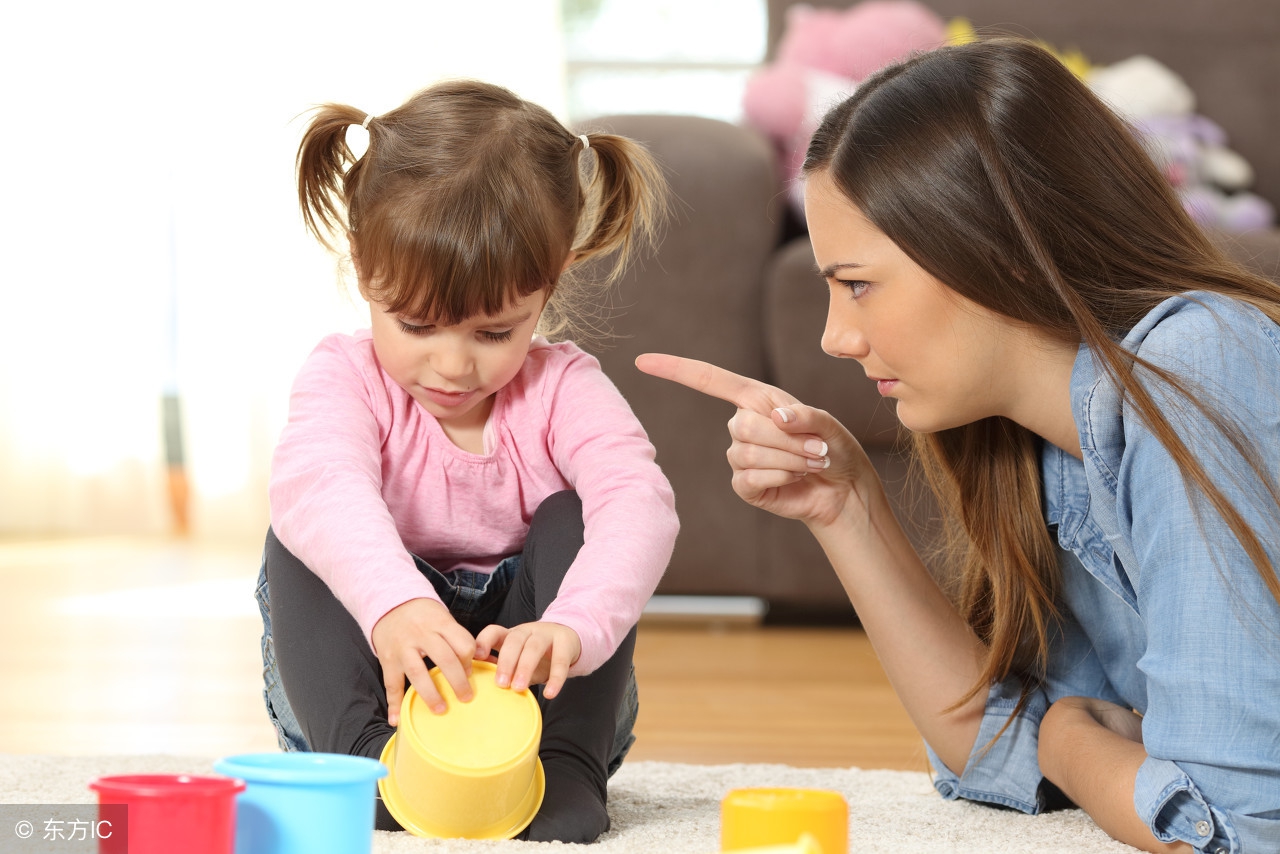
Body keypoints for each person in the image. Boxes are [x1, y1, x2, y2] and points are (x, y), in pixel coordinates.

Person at [638, 39, 1280, 854]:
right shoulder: (1044, 448)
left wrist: (1071, 741)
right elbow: (997, 757)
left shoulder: (1197, 368)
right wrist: (844, 506)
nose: (836, 336)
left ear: (995, 249)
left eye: (858, 284)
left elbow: (1227, 825)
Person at [257, 79, 679, 843]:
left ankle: (566, 769)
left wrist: (576, 628)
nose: (452, 366)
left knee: (576, 515)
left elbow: (638, 503)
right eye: (417, 324)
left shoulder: (564, 387)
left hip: (536, 720)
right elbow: (321, 484)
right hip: (376, 696)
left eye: (493, 333)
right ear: (361, 265)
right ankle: (365, 768)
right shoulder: (344, 377)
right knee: (304, 518)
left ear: (548, 287)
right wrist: (396, 605)